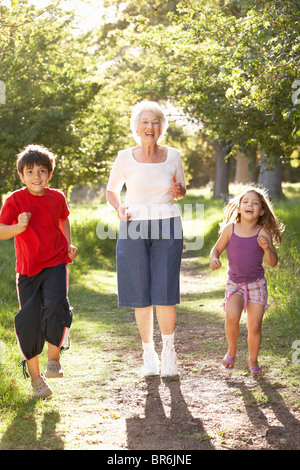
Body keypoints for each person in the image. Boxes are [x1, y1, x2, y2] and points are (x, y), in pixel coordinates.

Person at [106, 100, 186, 377]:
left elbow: (181, 188)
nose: (150, 127)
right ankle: (148, 353)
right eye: (145, 122)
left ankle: (170, 353)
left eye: (155, 122)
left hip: (167, 224)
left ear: (161, 127)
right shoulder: (124, 157)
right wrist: (119, 208)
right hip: (133, 226)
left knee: (164, 292)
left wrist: (178, 190)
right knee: (140, 294)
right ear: (137, 127)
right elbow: (112, 191)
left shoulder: (174, 155)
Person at [0, 144, 78, 398]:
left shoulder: (57, 197)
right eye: (30, 171)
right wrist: (18, 228)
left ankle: (54, 359)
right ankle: (36, 379)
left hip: (55, 262)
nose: (36, 176)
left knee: (56, 305)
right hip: (27, 270)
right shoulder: (15, 200)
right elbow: (1, 230)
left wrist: (67, 244)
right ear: (22, 176)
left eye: (42, 171)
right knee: (30, 321)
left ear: (49, 174)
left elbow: (63, 218)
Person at [209, 185, 283, 376]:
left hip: (256, 284)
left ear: (261, 211)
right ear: (239, 207)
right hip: (235, 284)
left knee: (254, 325)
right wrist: (214, 258)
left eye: (255, 203)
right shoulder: (229, 229)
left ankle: (253, 361)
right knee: (232, 316)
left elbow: (273, 263)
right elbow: (216, 249)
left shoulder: (262, 232)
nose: (250, 205)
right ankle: (232, 351)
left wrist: (267, 248)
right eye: (246, 202)